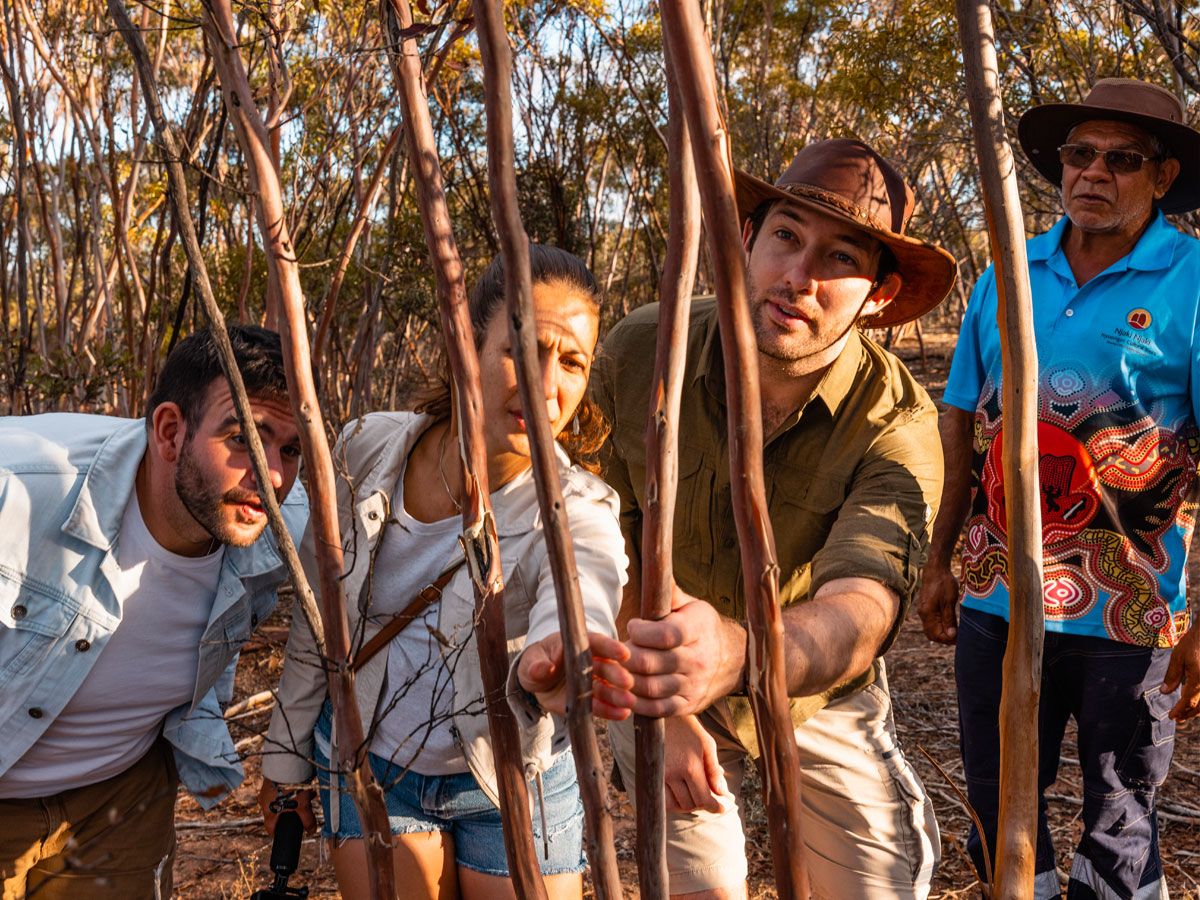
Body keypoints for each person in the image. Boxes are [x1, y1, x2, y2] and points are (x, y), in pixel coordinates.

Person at [590, 139, 954, 899]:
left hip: (812, 686)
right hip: (649, 653)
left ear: (880, 296)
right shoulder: (639, 352)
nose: (799, 279)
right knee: (701, 882)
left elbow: (863, 604)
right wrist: (661, 701)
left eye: (841, 260)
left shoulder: (897, 425)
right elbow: (590, 539)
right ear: (747, 238)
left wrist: (738, 655)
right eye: (786, 236)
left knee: (876, 886)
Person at [258, 245, 628, 900]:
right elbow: (321, 618)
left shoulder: (579, 509)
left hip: (512, 773)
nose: (548, 384)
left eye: (572, 362)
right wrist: (286, 763)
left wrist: (562, 658)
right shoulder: (366, 449)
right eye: (523, 349)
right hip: (371, 760)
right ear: (466, 344)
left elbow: (585, 591)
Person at [917, 78, 1200, 898]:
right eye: (1080, 155)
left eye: (1121, 159)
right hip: (995, 599)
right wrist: (942, 561)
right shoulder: (1008, 270)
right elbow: (961, 423)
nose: (1093, 174)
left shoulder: (1191, 282)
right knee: (996, 794)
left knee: (1120, 806)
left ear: (1164, 176)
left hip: (1129, 608)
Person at [0, 325, 309, 899]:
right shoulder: (19, 487)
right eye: (243, 437)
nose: (272, 478)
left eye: (290, 449)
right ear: (170, 431)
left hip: (121, 796)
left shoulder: (284, 528)